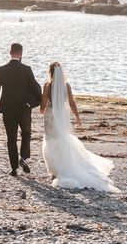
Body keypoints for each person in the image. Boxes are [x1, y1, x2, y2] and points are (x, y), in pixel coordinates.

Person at [40, 62, 120, 192]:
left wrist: (42, 107)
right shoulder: (66, 86)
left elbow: (44, 102)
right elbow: (72, 103)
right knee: (62, 140)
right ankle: (63, 166)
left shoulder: (47, 85)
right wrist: (77, 116)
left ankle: (55, 170)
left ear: (50, 72)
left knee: (50, 141)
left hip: (50, 116)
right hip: (62, 116)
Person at [0, 43, 42, 176]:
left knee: (11, 139)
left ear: (10, 53)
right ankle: (23, 158)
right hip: (24, 109)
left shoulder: (1, 70)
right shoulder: (26, 69)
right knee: (26, 134)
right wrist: (39, 102)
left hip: (7, 110)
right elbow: (35, 88)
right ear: (21, 54)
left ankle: (13, 168)